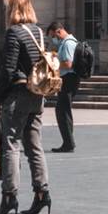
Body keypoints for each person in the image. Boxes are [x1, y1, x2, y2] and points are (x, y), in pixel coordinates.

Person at [0, 0, 51, 214]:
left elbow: (8, 70)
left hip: (17, 95)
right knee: (35, 146)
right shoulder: (38, 33)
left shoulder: (14, 33)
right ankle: (42, 193)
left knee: (11, 145)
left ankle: (9, 197)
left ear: (12, 10)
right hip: (37, 95)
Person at [48, 21, 79, 154]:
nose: (53, 39)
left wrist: (53, 63)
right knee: (63, 110)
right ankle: (68, 141)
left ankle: (68, 143)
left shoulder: (67, 43)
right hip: (68, 79)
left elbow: (68, 63)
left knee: (62, 111)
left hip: (69, 79)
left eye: (53, 36)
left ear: (59, 31)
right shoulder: (69, 42)